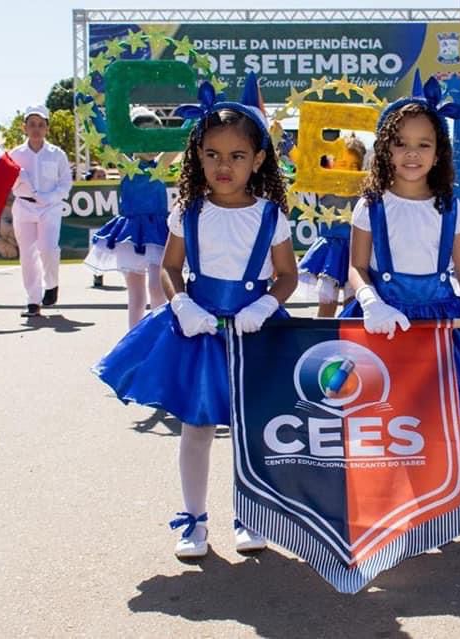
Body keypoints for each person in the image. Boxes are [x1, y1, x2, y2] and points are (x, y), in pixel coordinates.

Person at [93, 75, 298, 559]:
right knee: (197, 426)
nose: (223, 166)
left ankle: (251, 515)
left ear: (260, 160)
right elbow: (168, 266)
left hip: (254, 332)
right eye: (212, 155)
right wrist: (180, 303)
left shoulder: (271, 215)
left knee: (252, 428)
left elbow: (287, 274)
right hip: (199, 329)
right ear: (197, 156)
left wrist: (265, 304)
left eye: (237, 156)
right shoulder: (188, 210)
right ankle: (194, 520)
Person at [339, 76, 460, 417]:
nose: (412, 153)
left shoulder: (451, 207)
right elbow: (358, 266)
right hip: (385, 317)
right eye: (401, 143)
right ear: (385, 149)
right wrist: (370, 303)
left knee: (432, 417)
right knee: (381, 413)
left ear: (439, 151)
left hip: (438, 320)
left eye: (424, 144)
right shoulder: (371, 205)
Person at [84, 107, 173, 328]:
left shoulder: (161, 166)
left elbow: (185, 137)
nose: (150, 144)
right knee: (135, 292)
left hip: (157, 233)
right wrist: (90, 106)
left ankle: (158, 336)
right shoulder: (127, 166)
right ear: (132, 139)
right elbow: (104, 138)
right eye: (143, 137)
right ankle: (133, 339)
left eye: (155, 137)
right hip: (131, 234)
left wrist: (204, 109)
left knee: (156, 284)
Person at [9, 105, 73, 317]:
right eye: (32, 124)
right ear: (24, 127)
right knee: (27, 254)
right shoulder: (14, 155)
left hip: (50, 208)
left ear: (46, 128)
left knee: (48, 248)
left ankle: (52, 284)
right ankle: (33, 300)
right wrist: (19, 181)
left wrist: (50, 197)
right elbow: (5, 182)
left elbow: (65, 183)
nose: (36, 129)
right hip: (24, 207)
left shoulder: (57, 154)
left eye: (41, 125)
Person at [297, 132, 366, 317]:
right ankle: (323, 339)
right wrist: (289, 146)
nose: (348, 170)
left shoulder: (363, 189)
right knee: (327, 305)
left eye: (354, 166)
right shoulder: (325, 186)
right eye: (343, 164)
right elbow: (304, 167)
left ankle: (349, 340)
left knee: (352, 306)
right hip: (330, 251)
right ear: (333, 164)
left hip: (355, 251)